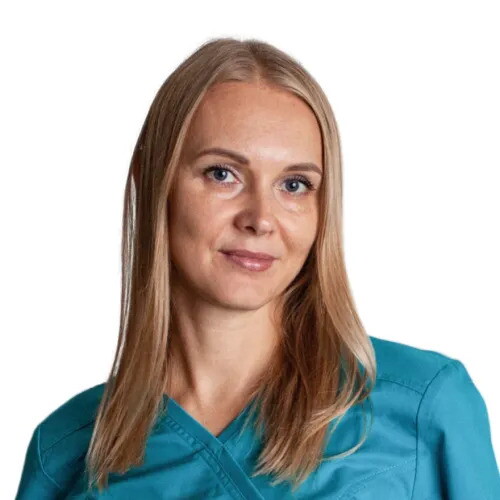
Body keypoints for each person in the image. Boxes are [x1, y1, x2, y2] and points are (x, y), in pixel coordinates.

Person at [16, 37, 500, 499]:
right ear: (153, 182)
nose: (260, 219)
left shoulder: (421, 408)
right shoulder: (66, 452)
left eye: (294, 185)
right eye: (222, 174)